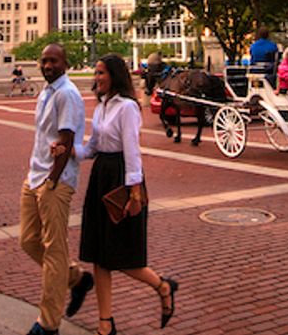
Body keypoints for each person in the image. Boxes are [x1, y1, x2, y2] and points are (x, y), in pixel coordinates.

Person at [69, 54, 177, 335]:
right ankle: (105, 323)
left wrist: (135, 192)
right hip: (100, 176)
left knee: (122, 255)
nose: (97, 78)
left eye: (101, 73)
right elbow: (93, 146)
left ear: (115, 76)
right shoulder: (103, 105)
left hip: (120, 177)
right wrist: (71, 152)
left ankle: (162, 286)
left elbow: (132, 151)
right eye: (96, 73)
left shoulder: (127, 107)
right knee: (99, 254)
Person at [19, 43, 89, 335]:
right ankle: (76, 279)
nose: (47, 66)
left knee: (54, 250)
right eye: (44, 61)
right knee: (28, 240)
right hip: (35, 176)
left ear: (65, 63)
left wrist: (52, 180)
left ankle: (47, 325)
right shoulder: (46, 92)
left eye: (53, 61)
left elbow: (66, 140)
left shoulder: (67, 95)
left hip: (54, 181)